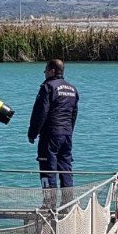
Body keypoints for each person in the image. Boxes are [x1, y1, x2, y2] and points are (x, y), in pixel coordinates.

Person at [28, 59, 79, 191]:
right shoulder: (72, 89)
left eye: (45, 70)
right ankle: (67, 204)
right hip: (66, 134)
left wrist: (32, 133)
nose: (44, 72)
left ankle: (49, 205)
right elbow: (74, 114)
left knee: (47, 168)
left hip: (50, 135)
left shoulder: (48, 87)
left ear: (52, 71)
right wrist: (69, 131)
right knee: (66, 169)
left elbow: (40, 113)